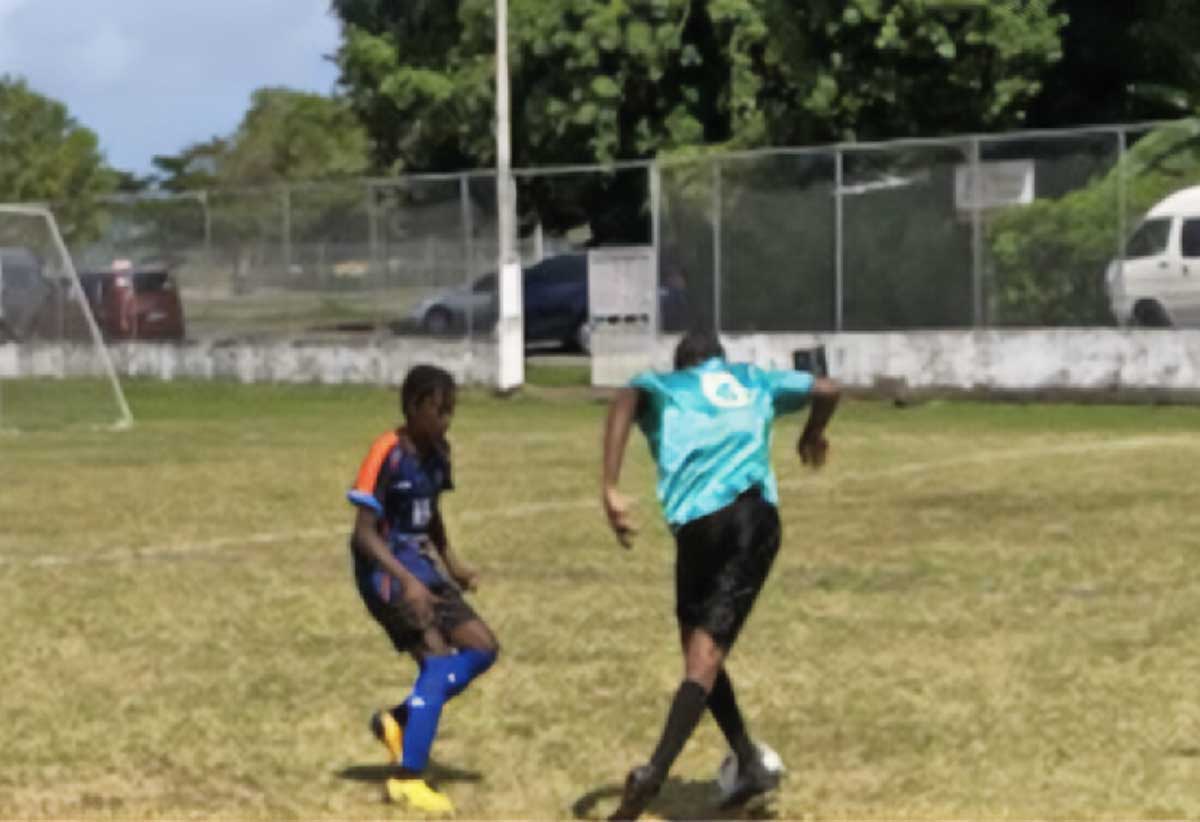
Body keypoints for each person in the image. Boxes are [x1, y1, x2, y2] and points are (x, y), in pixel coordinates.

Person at [600, 329, 840, 820]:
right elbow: (828, 387)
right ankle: (690, 768)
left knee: (700, 654)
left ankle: (710, 765)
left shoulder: (667, 386)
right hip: (750, 520)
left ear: (683, 364)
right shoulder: (753, 378)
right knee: (702, 657)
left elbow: (625, 397)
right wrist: (813, 431)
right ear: (720, 362)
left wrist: (609, 486)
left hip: (697, 528)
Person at [347, 364, 499, 815]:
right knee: (436, 660)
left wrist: (453, 565)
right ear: (414, 408)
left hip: (424, 569)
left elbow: (430, 514)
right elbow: (364, 534)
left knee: (483, 648)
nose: (446, 420)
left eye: (451, 410)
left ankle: (398, 720)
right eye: (439, 410)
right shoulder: (386, 452)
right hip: (385, 571)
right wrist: (407, 580)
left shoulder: (439, 452)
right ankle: (407, 778)